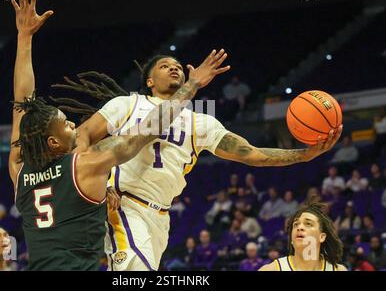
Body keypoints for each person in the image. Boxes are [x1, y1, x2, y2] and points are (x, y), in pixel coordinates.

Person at [52, 19, 342, 274]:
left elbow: (252, 154)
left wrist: (305, 154)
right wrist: (95, 184)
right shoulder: (128, 105)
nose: (174, 69)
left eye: (178, 66)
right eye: (165, 66)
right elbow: (82, 136)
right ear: (150, 81)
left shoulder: (200, 122)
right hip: (124, 203)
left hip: (160, 215)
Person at [8, 0, 224, 271]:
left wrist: (24, 38)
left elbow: (22, 103)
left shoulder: (19, 169)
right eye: (66, 124)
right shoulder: (84, 165)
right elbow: (147, 130)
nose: (74, 124)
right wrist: (192, 85)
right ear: (53, 143)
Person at [259, 202, 347, 271]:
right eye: (296, 224)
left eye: (308, 224)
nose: (299, 227)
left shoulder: (338, 269)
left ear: (322, 237)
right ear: (291, 240)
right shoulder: (272, 269)